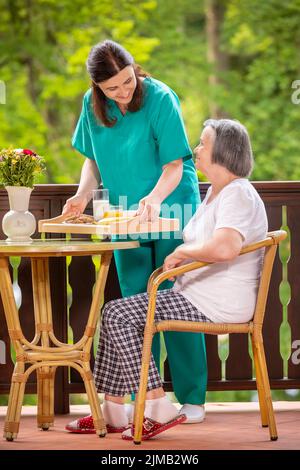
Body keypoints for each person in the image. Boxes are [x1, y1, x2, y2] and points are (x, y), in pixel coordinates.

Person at [66, 118, 268, 440]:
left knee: (117, 314)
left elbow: (227, 247)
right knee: (117, 311)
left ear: (224, 153)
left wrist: (184, 253)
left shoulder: (237, 194)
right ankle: (114, 410)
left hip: (215, 304)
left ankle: (157, 405)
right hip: (196, 297)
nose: (195, 150)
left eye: (203, 144)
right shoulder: (217, 194)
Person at [63, 39, 207, 432]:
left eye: (127, 82)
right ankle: (142, 397)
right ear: (98, 88)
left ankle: (192, 398)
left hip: (171, 203)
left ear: (134, 70)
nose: (124, 93)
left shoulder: (160, 97)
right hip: (125, 214)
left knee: (172, 298)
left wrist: (154, 200)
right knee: (133, 302)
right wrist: (81, 195)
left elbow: (175, 163)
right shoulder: (92, 108)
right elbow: (92, 160)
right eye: (113, 88)